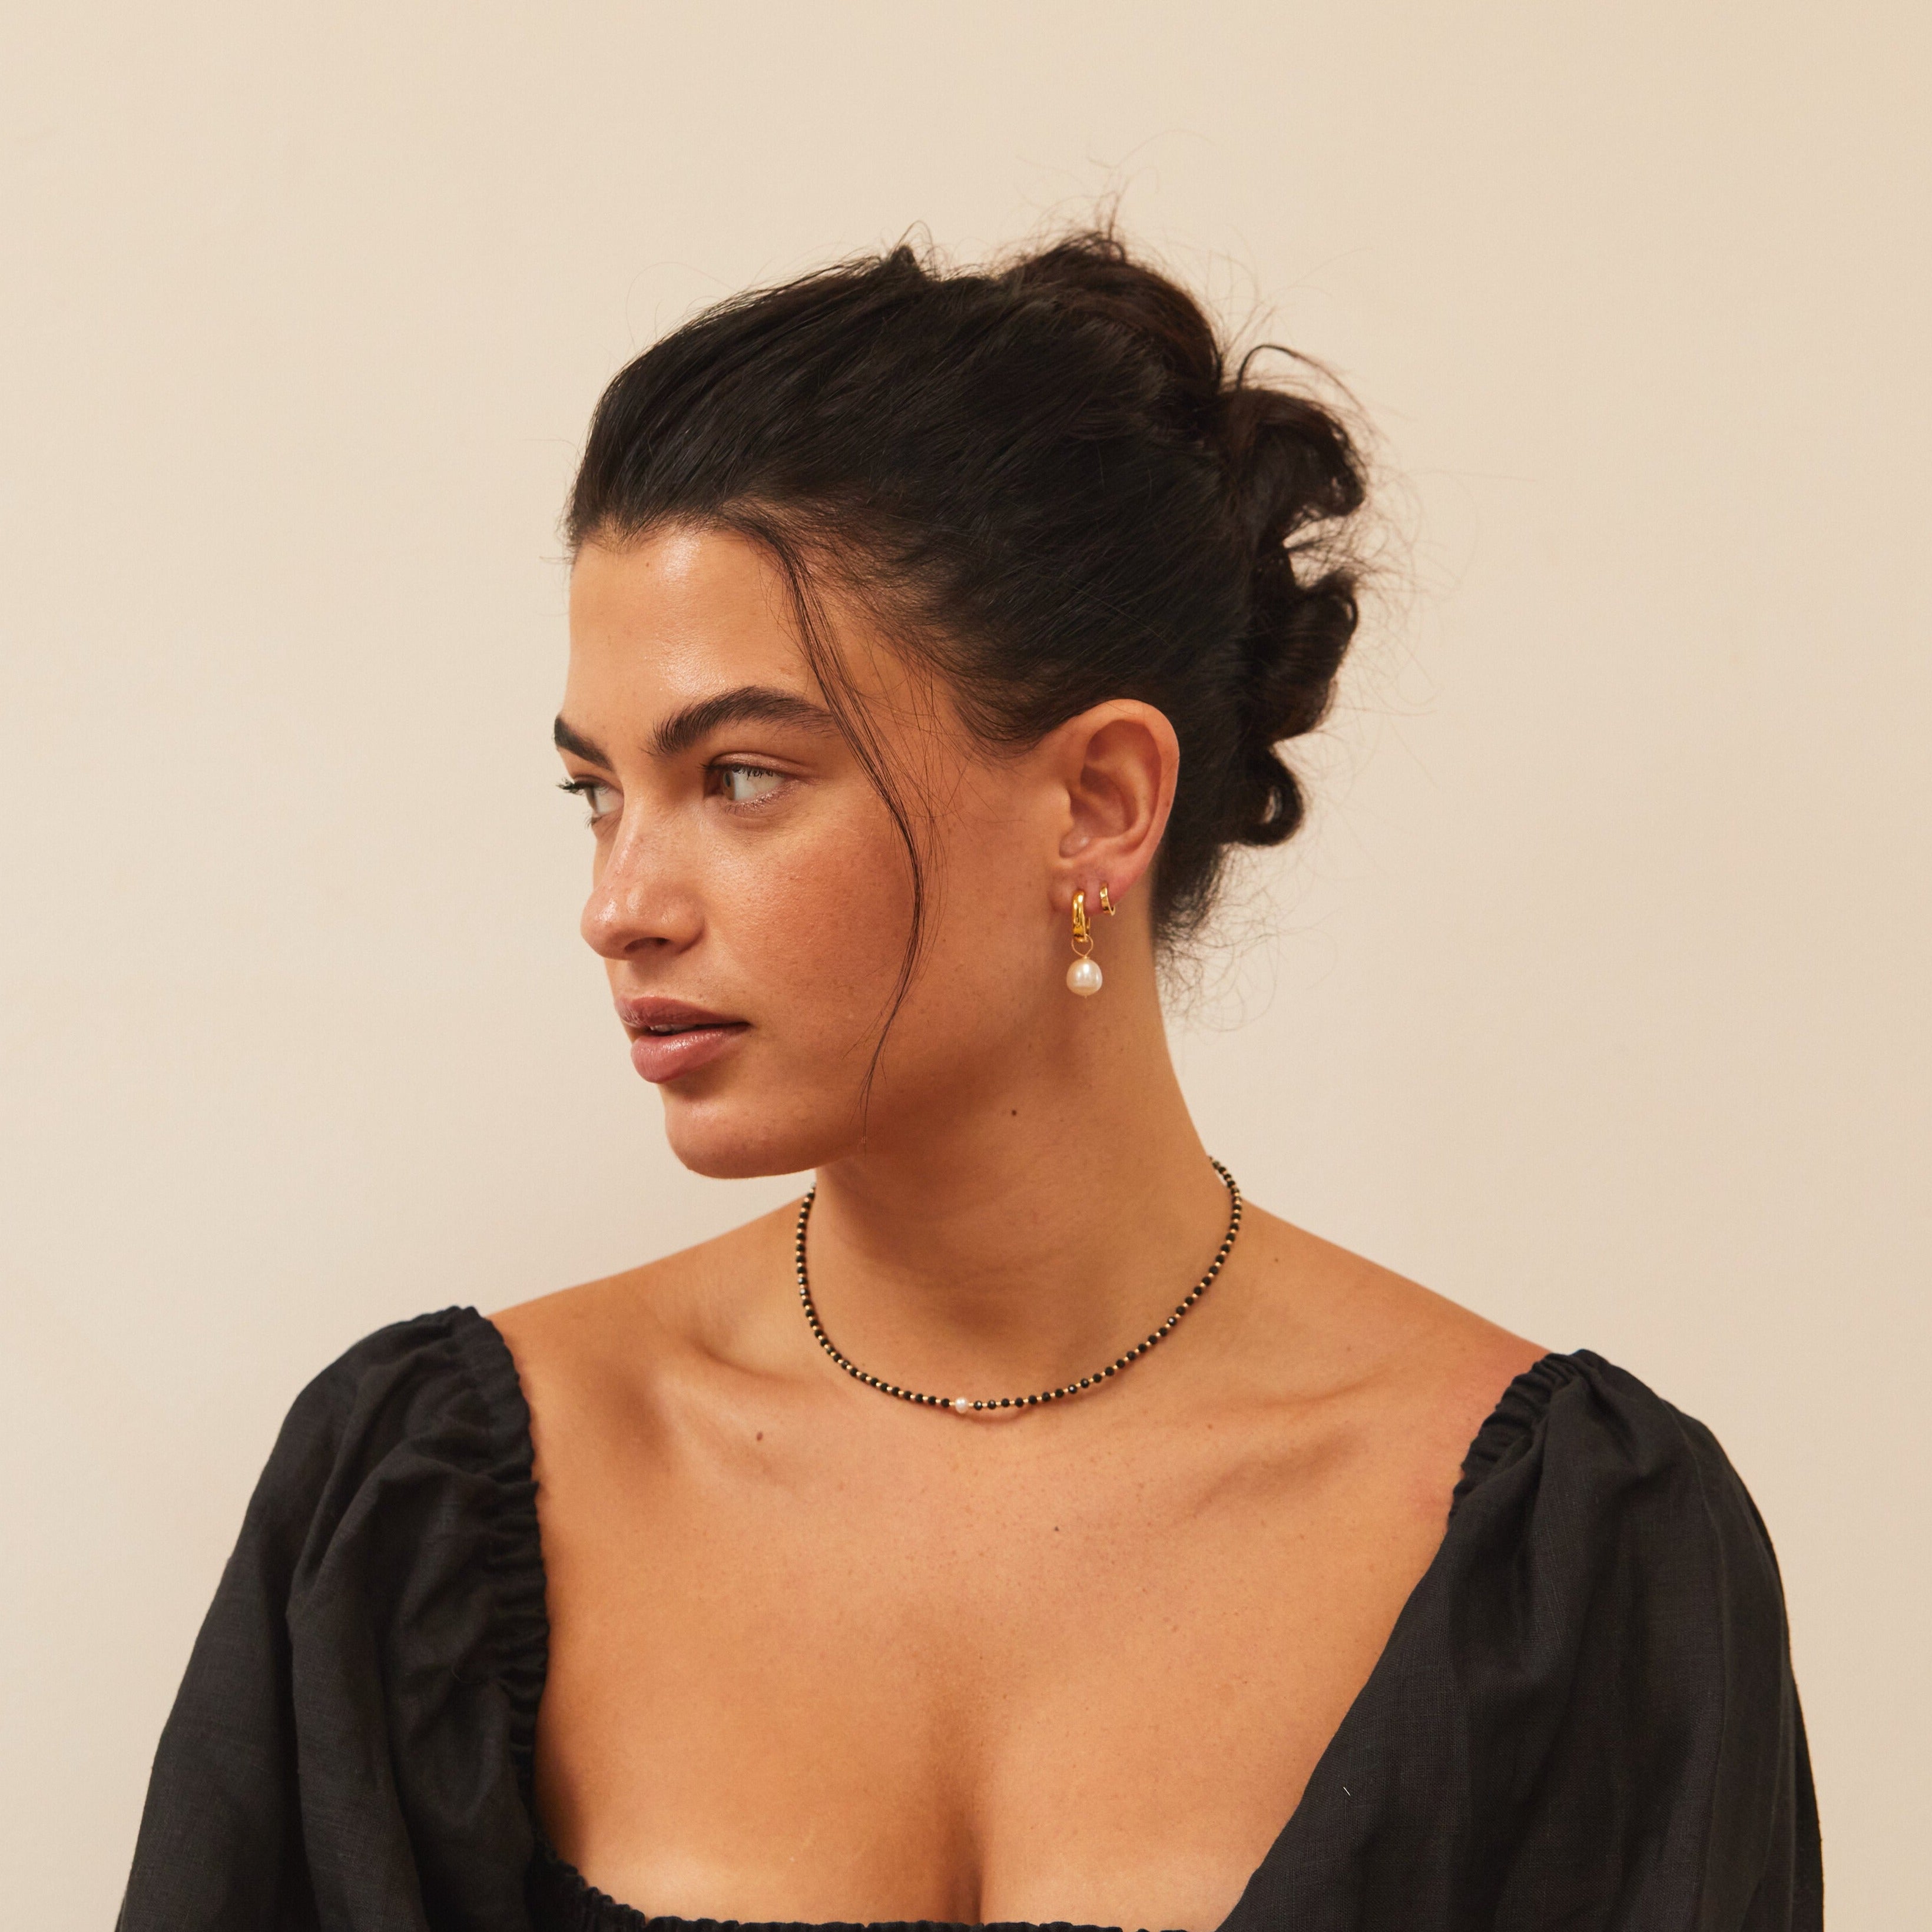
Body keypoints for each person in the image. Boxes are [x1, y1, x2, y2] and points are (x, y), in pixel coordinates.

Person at [119, 231, 1820, 1932]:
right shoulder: (424, 1504)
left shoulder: (1574, 1557)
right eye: (597, 792)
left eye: (739, 775)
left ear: (1094, 802)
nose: (619, 903)